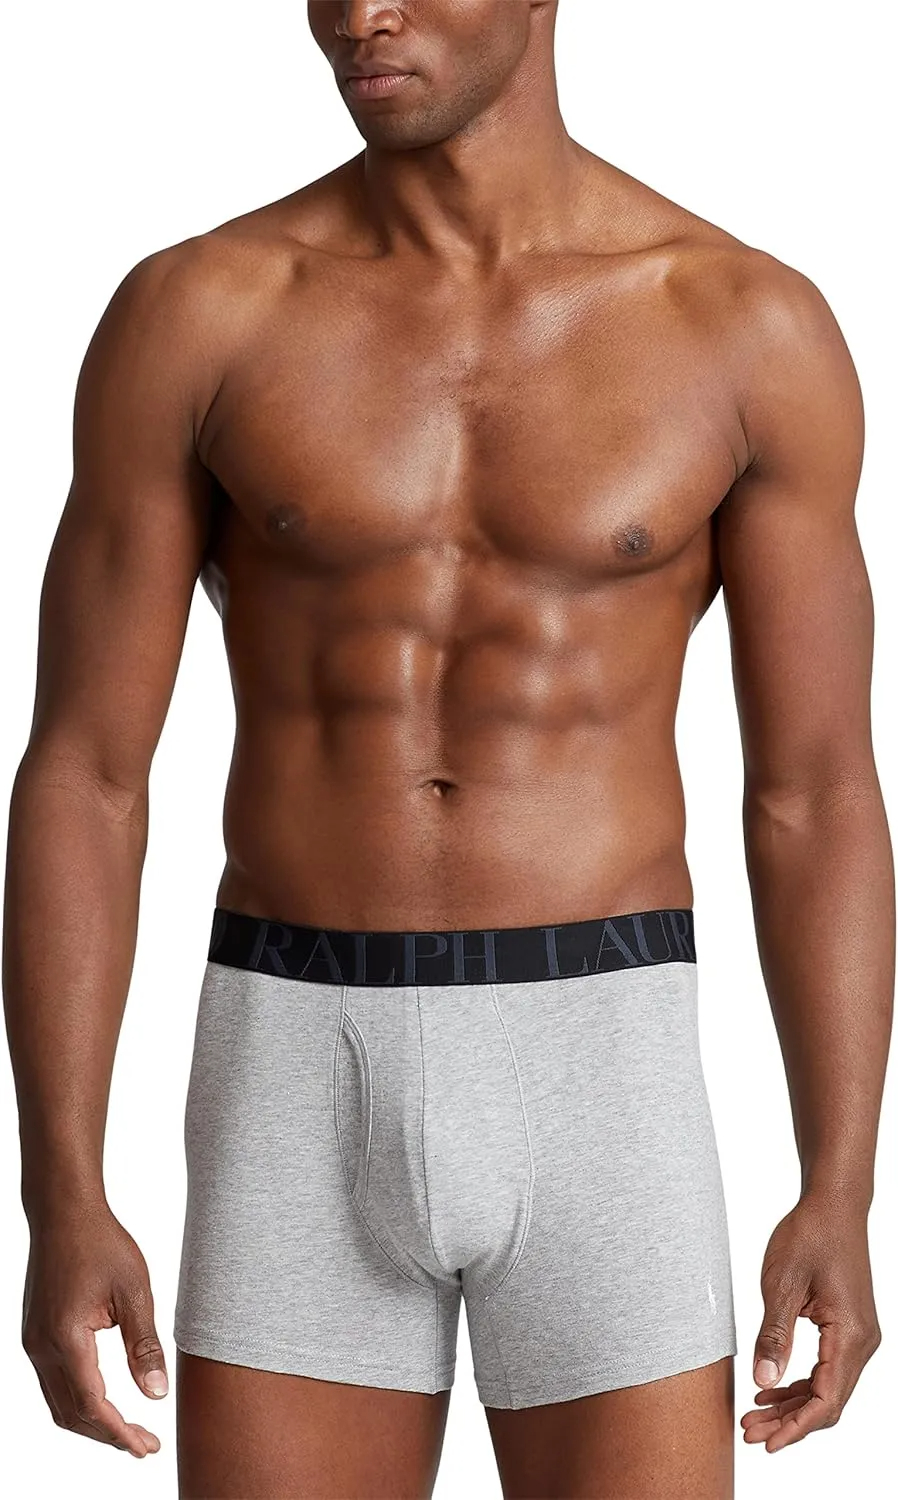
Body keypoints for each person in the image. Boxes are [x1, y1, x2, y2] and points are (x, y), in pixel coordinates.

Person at [3, 2, 892, 1496]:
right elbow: (86, 772)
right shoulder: (202, 311)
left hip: (602, 1061)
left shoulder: (743, 324)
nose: (363, 14)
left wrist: (841, 1186)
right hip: (293, 1058)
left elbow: (814, 793)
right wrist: (61, 1188)